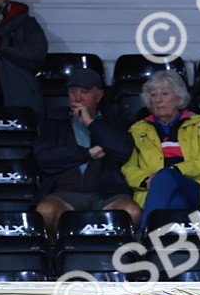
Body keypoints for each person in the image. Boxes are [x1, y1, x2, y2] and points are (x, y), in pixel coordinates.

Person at [33, 68, 140, 237]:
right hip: (65, 194)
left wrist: (91, 123)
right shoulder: (55, 120)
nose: (77, 98)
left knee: (131, 212)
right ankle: (59, 257)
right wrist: (86, 154)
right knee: (45, 211)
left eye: (84, 92)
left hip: (107, 195)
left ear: (98, 96)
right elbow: (43, 158)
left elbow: (123, 152)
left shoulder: (114, 120)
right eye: (73, 92)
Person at [121, 70, 200, 236]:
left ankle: (145, 234)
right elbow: (128, 168)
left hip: (195, 186)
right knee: (175, 202)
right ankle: (176, 246)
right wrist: (144, 180)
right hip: (157, 191)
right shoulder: (137, 130)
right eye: (153, 94)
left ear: (179, 98)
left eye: (164, 93)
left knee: (166, 176)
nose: (158, 99)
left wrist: (175, 171)